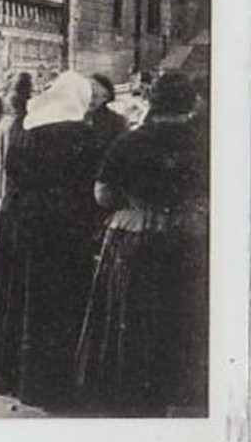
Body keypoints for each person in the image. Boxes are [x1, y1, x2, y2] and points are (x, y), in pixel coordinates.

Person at [75, 71, 209, 416]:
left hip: (135, 237)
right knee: (181, 314)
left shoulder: (131, 141)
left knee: (133, 315)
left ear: (152, 99)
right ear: (190, 102)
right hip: (190, 236)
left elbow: (102, 195)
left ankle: (132, 390)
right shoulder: (208, 140)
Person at [0, 71, 102, 410]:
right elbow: (90, 189)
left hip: (19, 221)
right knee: (54, 305)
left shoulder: (26, 126)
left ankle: (9, 373)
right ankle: (50, 384)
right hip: (61, 227)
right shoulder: (82, 135)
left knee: (19, 294)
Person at [0, 72, 33, 200]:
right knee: (9, 157)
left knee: (3, 158)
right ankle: (7, 190)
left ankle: (2, 190)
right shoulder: (18, 97)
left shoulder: (9, 95)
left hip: (4, 125)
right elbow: (22, 112)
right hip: (14, 126)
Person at [86, 73, 127, 158]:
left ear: (106, 97)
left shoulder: (115, 121)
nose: (89, 100)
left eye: (94, 96)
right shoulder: (71, 117)